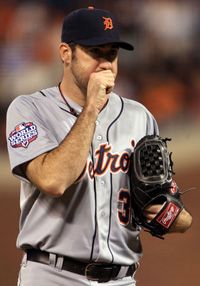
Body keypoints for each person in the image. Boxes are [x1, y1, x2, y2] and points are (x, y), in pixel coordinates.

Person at [6, 7, 192, 286]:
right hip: (52, 275)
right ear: (66, 54)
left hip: (121, 279)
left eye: (112, 54)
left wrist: (169, 214)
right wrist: (91, 107)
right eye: (96, 52)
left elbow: (172, 209)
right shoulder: (29, 109)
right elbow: (53, 180)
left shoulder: (139, 117)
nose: (106, 64)